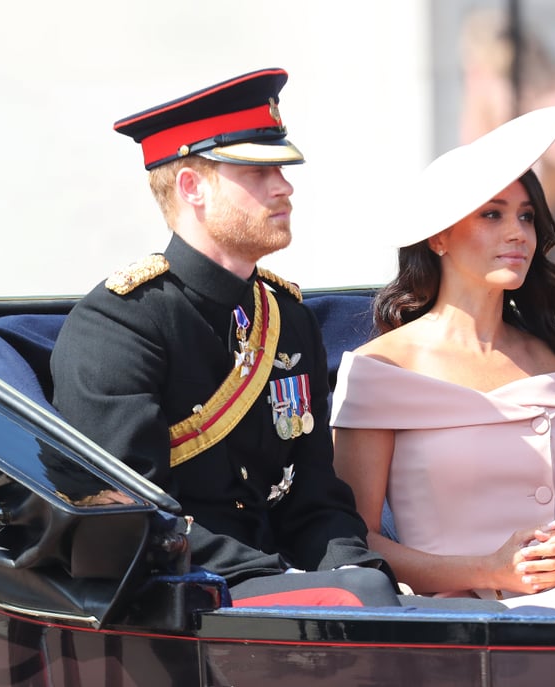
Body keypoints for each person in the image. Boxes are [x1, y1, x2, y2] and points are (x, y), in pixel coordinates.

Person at [50, 69, 399, 607]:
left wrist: (351, 566)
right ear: (193, 187)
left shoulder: (286, 317)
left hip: (279, 587)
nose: (283, 187)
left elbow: (314, 498)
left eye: (281, 170)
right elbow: (125, 518)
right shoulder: (121, 323)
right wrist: (290, 580)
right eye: (256, 173)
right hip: (185, 598)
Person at [330, 107, 555, 609]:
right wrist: (489, 570)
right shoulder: (380, 369)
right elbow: (358, 543)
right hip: (450, 615)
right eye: (492, 214)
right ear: (439, 237)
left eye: (526, 216)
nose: (518, 232)